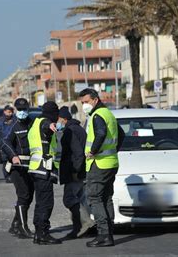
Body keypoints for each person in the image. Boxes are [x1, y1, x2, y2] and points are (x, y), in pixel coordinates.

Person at [79, 89, 124, 247]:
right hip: (111, 162)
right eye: (82, 102)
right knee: (106, 198)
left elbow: (101, 133)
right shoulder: (108, 113)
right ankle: (109, 233)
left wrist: (93, 151)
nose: (84, 105)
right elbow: (122, 134)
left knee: (94, 198)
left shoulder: (97, 116)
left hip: (98, 163)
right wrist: (112, 151)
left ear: (95, 100)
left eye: (86, 101)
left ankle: (103, 234)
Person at [56, 106, 94, 240]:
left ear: (64, 119)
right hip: (82, 170)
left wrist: (75, 171)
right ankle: (79, 228)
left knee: (69, 199)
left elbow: (77, 153)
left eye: (58, 120)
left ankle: (86, 223)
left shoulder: (69, 131)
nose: (56, 123)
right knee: (81, 199)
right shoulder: (78, 128)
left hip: (75, 172)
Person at [0, 98, 35, 239]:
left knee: (29, 196)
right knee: (23, 195)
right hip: (16, 167)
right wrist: (13, 156)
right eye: (19, 110)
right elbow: (4, 141)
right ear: (15, 110)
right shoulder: (12, 125)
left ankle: (15, 224)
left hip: (31, 166)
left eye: (24, 109)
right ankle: (23, 228)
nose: (22, 112)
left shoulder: (32, 123)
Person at [27, 101, 62, 245]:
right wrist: (51, 125)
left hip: (36, 168)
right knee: (46, 203)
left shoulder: (34, 123)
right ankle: (43, 234)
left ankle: (39, 233)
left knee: (40, 202)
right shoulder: (44, 123)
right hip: (43, 170)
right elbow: (47, 126)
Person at [0, 105, 17, 182]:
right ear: (4, 112)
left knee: (13, 160)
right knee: (5, 161)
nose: (9, 114)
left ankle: (13, 176)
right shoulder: (1, 120)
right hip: (3, 143)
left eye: (11, 112)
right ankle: (7, 176)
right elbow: (0, 132)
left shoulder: (15, 120)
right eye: (8, 112)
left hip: (13, 143)